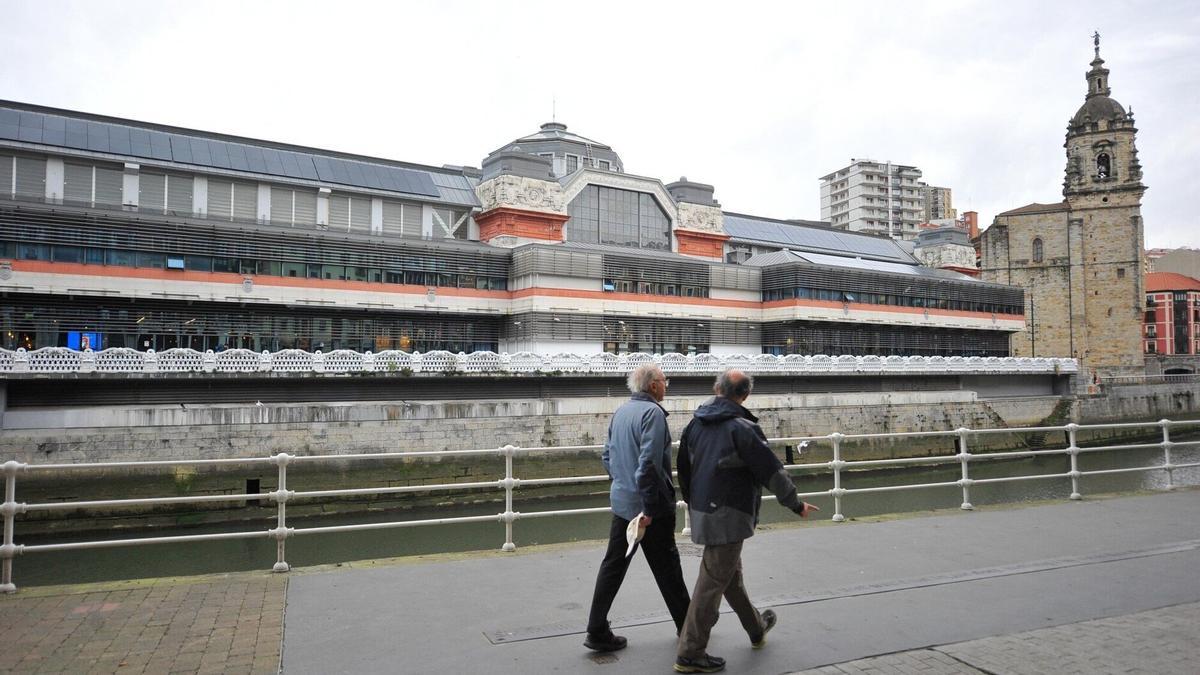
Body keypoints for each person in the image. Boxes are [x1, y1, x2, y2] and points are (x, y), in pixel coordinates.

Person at [673, 369, 819, 673]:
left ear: (717, 389)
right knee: (712, 582)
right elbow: (772, 472)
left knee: (728, 576)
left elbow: (683, 469)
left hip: (703, 510)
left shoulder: (695, 425)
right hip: (730, 514)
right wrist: (795, 505)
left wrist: (694, 503)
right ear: (745, 395)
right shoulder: (742, 428)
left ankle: (756, 628)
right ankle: (690, 652)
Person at [584, 363, 691, 652]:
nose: (666, 384)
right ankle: (689, 628)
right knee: (667, 567)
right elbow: (648, 466)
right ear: (653, 385)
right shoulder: (653, 414)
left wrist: (622, 485)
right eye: (664, 380)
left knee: (613, 566)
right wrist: (647, 507)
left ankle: (596, 629)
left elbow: (607, 455)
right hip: (649, 509)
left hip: (622, 505)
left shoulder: (621, 412)